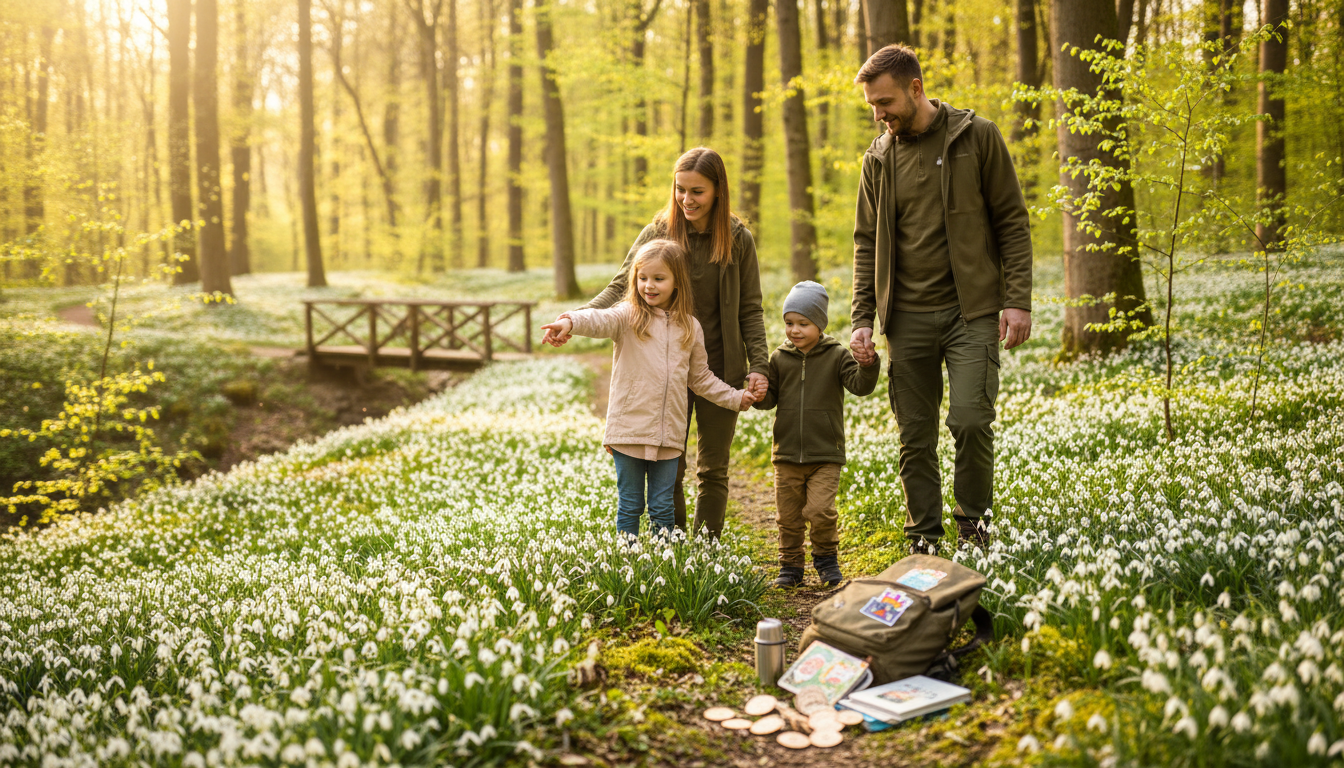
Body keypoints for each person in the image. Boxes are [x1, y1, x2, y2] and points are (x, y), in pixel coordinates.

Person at [848, 44, 1033, 554]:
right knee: (915, 435)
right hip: (904, 318)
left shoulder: (977, 137)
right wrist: (862, 316)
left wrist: (1017, 299)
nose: (879, 114)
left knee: (972, 419)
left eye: (884, 102)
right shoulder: (878, 158)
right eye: (872, 107)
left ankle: (973, 528)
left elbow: (1012, 223)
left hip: (970, 312)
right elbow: (867, 242)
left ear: (916, 88)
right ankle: (923, 540)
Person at [544, 148, 770, 538]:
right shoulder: (658, 233)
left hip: (722, 368)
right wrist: (572, 320)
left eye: (697, 191)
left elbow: (751, 308)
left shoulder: (737, 239)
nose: (687, 199)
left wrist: (759, 366)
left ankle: (707, 551)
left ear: (718, 190)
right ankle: (675, 550)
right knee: (672, 466)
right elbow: (621, 287)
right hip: (665, 371)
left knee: (713, 469)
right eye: (680, 189)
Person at [753, 281, 880, 587]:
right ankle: (791, 566)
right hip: (786, 454)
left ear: (820, 324)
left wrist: (868, 364)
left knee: (821, 510)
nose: (794, 330)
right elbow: (770, 400)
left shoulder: (836, 354)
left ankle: (825, 559)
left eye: (803, 324)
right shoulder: (779, 358)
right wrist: (758, 393)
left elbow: (860, 386)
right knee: (788, 517)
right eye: (789, 323)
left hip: (826, 453)